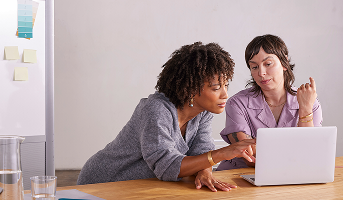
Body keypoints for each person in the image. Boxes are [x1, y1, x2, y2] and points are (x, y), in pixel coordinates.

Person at [77, 42, 256, 192]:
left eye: (226, 85)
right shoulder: (156, 109)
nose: (225, 94)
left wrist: (205, 171)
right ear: (192, 89)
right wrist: (223, 153)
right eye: (216, 88)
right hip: (103, 184)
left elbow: (201, 152)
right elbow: (167, 167)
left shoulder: (203, 113)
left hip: (140, 187)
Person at [216, 34, 322, 171]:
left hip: (292, 177)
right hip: (239, 177)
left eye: (268, 64)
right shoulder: (237, 104)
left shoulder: (310, 102)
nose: (261, 73)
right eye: (254, 67)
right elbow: (249, 157)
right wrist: (295, 152)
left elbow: (311, 152)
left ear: (284, 62)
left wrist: (305, 109)